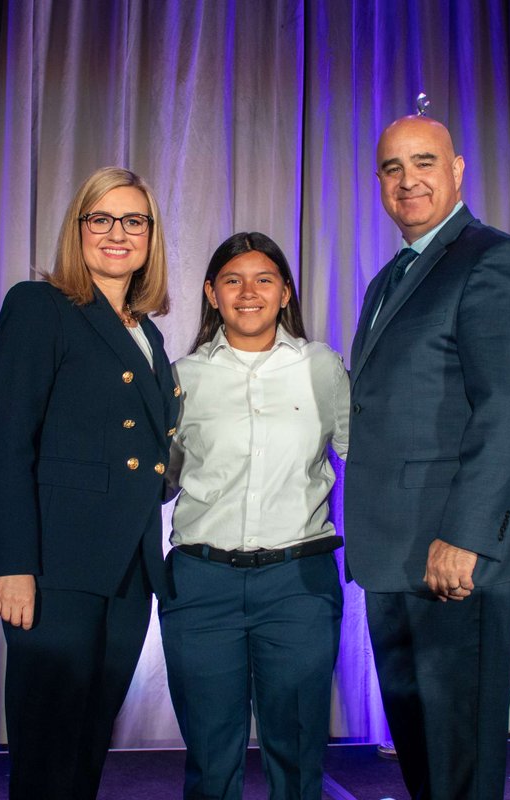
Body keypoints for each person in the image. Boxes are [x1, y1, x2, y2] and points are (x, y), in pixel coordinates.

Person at [344, 115, 510, 800]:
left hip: (453, 557)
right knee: (425, 762)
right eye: (393, 168)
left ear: (458, 169)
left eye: (424, 162)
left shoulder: (492, 258)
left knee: (460, 764)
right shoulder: (390, 279)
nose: (409, 180)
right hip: (395, 556)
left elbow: (509, 406)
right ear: (379, 182)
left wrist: (463, 536)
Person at [0, 167, 180, 798]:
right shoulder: (41, 306)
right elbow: (9, 443)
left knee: (88, 750)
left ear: (151, 237)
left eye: (133, 221)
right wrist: (14, 563)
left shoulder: (146, 333)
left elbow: (149, 457)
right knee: (46, 755)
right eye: (101, 218)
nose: (117, 233)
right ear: (78, 228)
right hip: (58, 568)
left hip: (128, 571)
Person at [161, 232, 349, 800]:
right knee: (211, 759)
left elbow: (369, 455)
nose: (249, 292)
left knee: (295, 758)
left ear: (285, 292)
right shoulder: (181, 376)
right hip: (201, 584)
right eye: (233, 280)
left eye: (264, 279)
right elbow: (158, 476)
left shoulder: (321, 367)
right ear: (211, 294)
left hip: (299, 585)